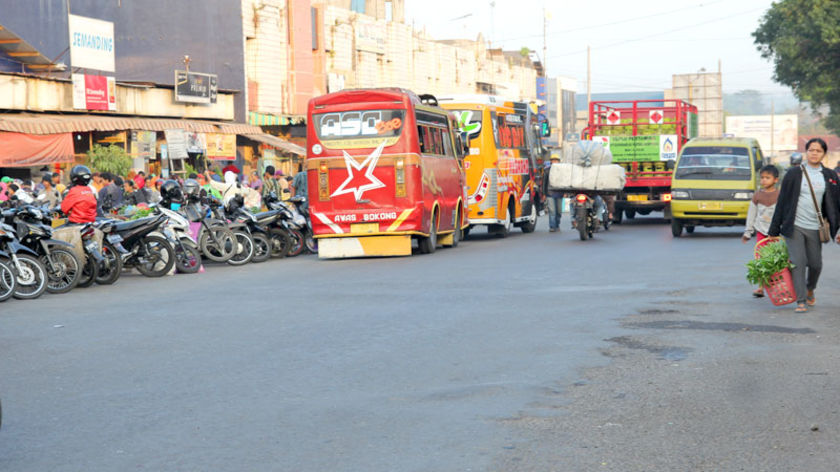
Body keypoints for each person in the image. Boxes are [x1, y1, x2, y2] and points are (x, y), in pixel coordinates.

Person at [768, 138, 840, 313]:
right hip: (794, 226)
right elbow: (783, 202)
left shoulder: (830, 176)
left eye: (818, 151)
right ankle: (801, 300)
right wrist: (773, 230)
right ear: (806, 152)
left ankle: (810, 289)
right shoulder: (794, 174)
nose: (814, 153)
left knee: (816, 264)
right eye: (811, 150)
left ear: (824, 154)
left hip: (816, 227)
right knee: (797, 262)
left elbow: (837, 203)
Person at [742, 165, 780, 297]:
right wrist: (748, 232)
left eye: (767, 178)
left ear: (775, 180)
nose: (764, 180)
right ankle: (761, 287)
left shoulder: (780, 195)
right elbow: (751, 214)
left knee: (777, 260)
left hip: (777, 235)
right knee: (761, 260)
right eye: (762, 178)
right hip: (761, 232)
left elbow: (784, 214)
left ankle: (779, 285)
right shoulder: (757, 195)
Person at [543, 151, 563, 232]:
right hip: (550, 193)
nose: (554, 162)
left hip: (559, 193)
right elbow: (544, 182)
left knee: (559, 212)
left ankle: (557, 225)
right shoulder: (547, 170)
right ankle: (552, 226)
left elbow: (564, 181)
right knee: (552, 211)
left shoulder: (562, 171)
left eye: (556, 160)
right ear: (551, 161)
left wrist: (565, 192)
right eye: (553, 160)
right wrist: (544, 194)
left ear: (559, 161)